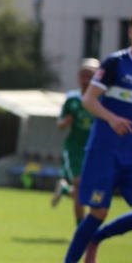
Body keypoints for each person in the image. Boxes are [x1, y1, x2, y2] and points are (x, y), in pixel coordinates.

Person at [53, 10, 132, 263]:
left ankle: (97, 238)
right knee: (98, 211)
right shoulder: (115, 63)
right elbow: (89, 100)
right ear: (130, 33)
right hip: (104, 152)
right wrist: (112, 118)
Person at [51, 59, 100, 222]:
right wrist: (64, 123)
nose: (86, 79)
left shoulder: (102, 98)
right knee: (80, 184)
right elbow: (60, 123)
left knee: (87, 191)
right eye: (83, 75)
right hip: (75, 148)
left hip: (96, 149)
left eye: (90, 76)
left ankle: (65, 190)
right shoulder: (72, 98)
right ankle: (81, 230)